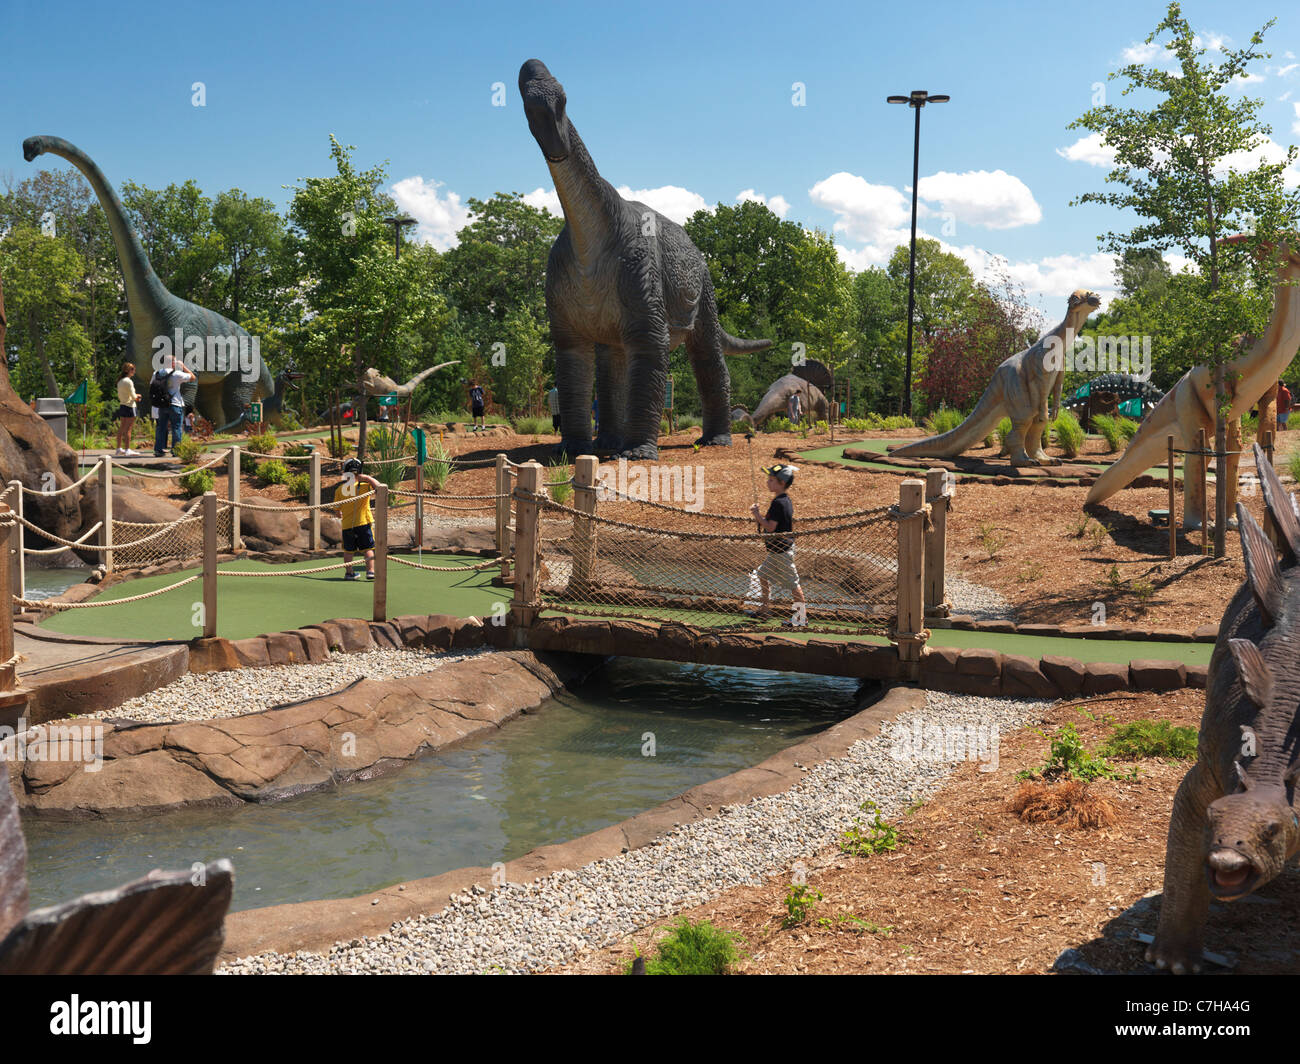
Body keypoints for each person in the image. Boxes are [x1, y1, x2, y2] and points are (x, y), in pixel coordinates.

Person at [747, 463, 805, 624]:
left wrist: (757, 515)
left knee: (793, 584)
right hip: (776, 551)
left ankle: (801, 619)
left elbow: (771, 527)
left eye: (772, 480)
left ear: (782, 483)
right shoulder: (784, 500)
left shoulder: (779, 503)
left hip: (782, 551)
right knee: (762, 575)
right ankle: (765, 611)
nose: (768, 482)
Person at [333, 457, 381, 580]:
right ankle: (370, 571)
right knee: (368, 549)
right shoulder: (365, 486)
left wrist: (340, 514)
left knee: (349, 551)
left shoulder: (340, 490)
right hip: (363, 523)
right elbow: (380, 488)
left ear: (345, 472)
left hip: (347, 525)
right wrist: (368, 478)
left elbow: (337, 511)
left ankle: (349, 573)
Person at [151, 356, 194, 457]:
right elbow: (192, 377)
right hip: (175, 403)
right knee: (176, 427)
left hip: (161, 404)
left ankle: (158, 450)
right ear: (173, 363)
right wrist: (183, 366)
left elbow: (152, 385)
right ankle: (176, 450)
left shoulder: (156, 373)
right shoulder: (177, 373)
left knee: (161, 427)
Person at [114, 362, 141, 456]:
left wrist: (134, 396)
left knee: (122, 427)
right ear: (128, 370)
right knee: (128, 429)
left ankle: (118, 448)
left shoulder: (120, 381)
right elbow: (133, 396)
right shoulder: (129, 381)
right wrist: (138, 397)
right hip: (130, 406)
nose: (134, 371)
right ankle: (127, 450)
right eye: (132, 369)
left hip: (122, 405)